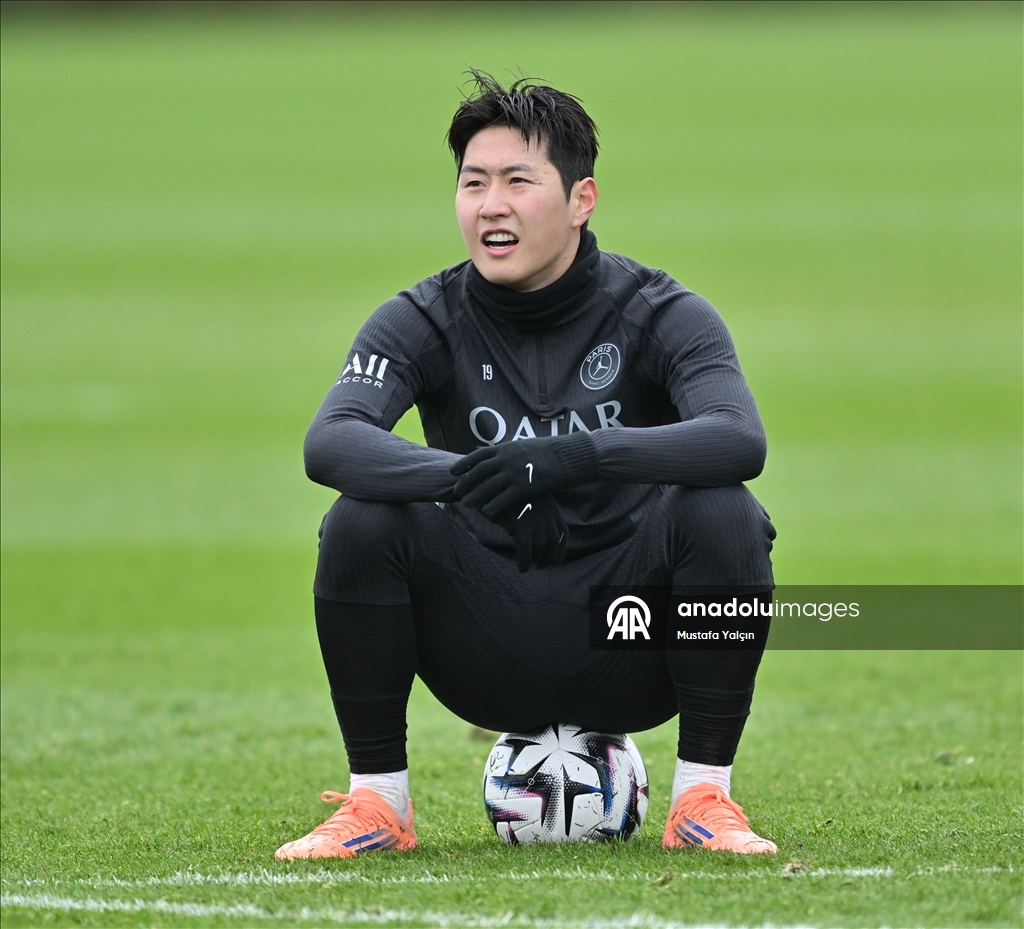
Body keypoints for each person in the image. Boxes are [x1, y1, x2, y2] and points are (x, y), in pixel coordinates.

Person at [275, 72, 778, 860]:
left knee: (726, 511)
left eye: (518, 181)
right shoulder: (422, 316)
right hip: (482, 643)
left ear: (582, 199)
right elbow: (331, 441)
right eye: (473, 183)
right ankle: (378, 803)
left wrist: (568, 458)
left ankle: (703, 799)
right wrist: (478, 479)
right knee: (360, 516)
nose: (491, 205)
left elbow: (739, 438)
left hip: (630, 641)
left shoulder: (660, 310)